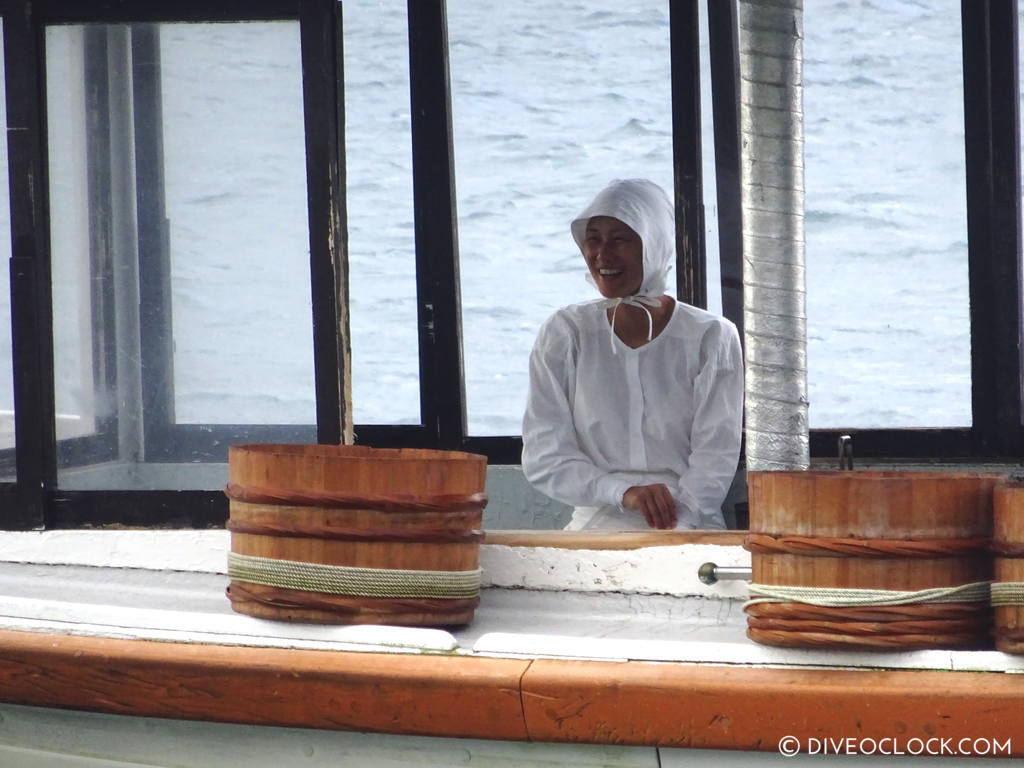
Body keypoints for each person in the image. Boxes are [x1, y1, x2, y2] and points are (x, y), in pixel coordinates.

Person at [521, 178, 743, 530]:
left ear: (654, 245)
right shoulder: (565, 333)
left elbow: (715, 457)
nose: (602, 254)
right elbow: (545, 457)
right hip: (597, 523)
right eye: (593, 239)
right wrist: (623, 492)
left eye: (620, 239)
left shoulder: (711, 336)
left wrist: (677, 520)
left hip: (692, 524)